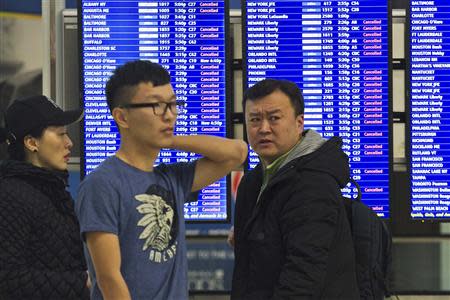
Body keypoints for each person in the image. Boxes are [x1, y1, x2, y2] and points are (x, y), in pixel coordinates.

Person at [75, 60, 248, 300]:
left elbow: (237, 153)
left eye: (173, 104)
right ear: (122, 117)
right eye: (157, 105)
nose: (169, 115)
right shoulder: (102, 184)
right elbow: (109, 278)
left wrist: (171, 140)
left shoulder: (171, 178)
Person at [231, 79, 360, 299]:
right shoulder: (253, 182)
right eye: (254, 119)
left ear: (299, 123)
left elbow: (303, 277)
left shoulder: (313, 184)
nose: (263, 129)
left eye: (274, 118)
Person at [0, 95, 90, 299]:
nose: (70, 143)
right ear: (32, 143)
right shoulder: (10, 196)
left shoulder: (51, 190)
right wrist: (84, 283)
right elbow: (7, 278)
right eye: (60, 135)